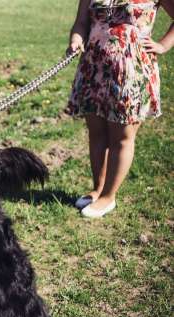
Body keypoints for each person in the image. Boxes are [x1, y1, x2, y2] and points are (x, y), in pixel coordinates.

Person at [67, 0, 173, 218]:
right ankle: (98, 189)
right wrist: (76, 39)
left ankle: (109, 197)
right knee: (97, 134)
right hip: (94, 67)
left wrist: (163, 45)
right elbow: (81, 22)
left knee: (121, 137)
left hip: (132, 70)